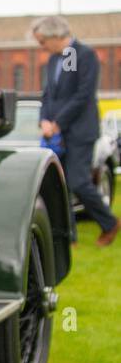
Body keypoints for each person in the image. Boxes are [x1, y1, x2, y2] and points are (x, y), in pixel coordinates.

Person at [34, 15, 118, 246]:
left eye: (43, 42)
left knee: (78, 181)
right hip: (56, 134)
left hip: (80, 131)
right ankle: (68, 238)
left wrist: (57, 122)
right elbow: (50, 95)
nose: (42, 47)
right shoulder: (54, 61)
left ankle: (109, 223)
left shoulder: (84, 55)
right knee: (60, 185)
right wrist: (44, 120)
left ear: (56, 36)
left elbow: (82, 95)